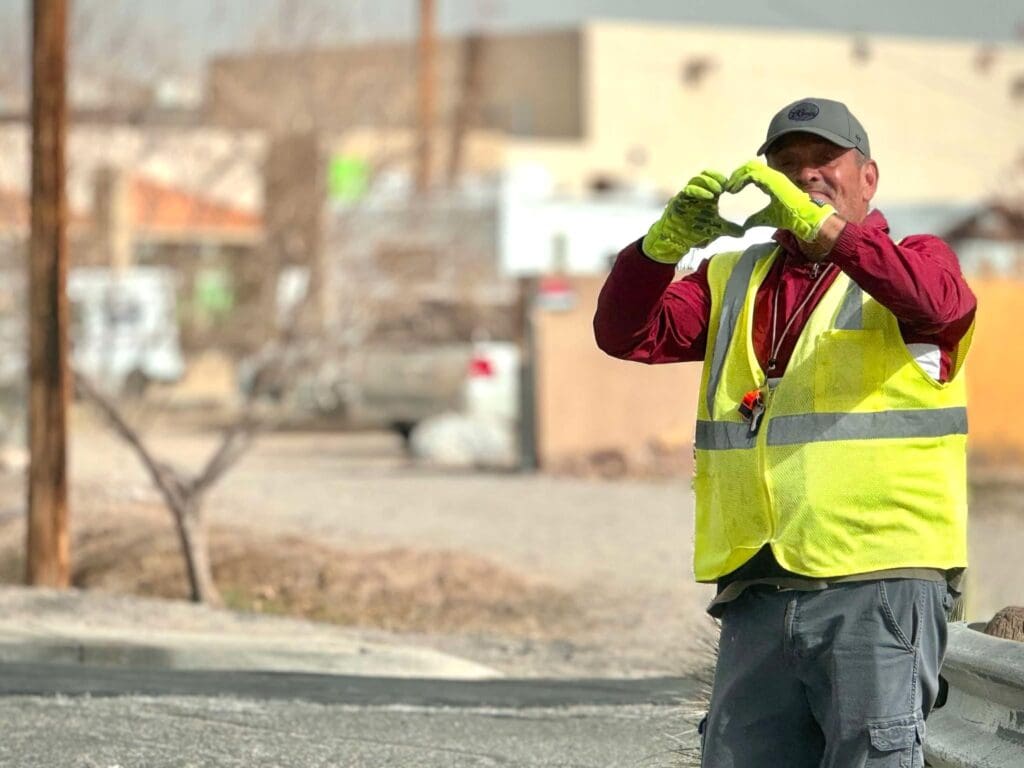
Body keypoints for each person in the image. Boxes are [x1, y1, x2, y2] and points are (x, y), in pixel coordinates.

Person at [593, 97, 976, 768]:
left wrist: (824, 230)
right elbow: (626, 333)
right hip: (761, 582)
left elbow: (936, 304)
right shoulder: (733, 277)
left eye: (824, 163)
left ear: (869, 178)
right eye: (787, 165)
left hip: (877, 581)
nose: (806, 178)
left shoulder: (916, 261)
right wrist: (660, 248)